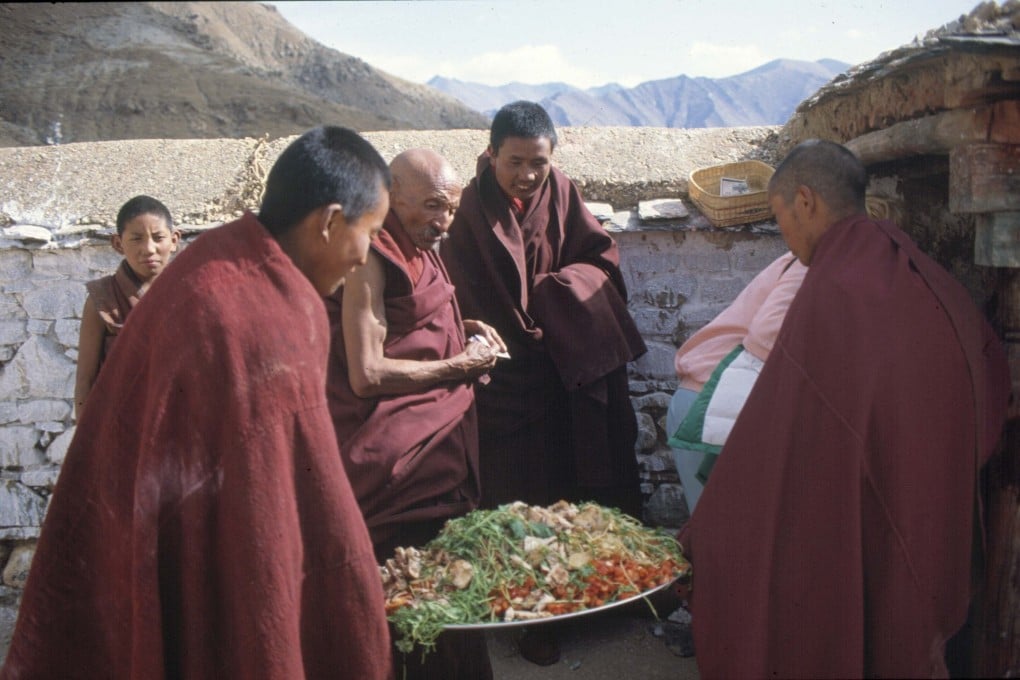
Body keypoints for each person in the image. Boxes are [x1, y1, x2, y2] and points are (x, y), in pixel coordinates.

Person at [1, 127, 395, 680]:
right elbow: (275, 507)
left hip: (149, 535)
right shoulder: (268, 315)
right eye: (370, 232)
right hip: (193, 535)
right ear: (330, 222)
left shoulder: (219, 261)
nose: (366, 255)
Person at [680, 139, 1010, 678]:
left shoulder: (832, 285)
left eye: (780, 215)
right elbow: (987, 371)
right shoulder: (915, 263)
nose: (784, 233)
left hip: (877, 486)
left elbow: (780, 424)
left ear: (805, 201)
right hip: (930, 494)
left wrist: (706, 532)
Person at [440, 100, 647, 665]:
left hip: (563, 369)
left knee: (576, 487)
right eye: (515, 163)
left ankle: (594, 597)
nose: (528, 176)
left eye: (538, 163)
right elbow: (451, 291)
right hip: (503, 379)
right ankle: (530, 614)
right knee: (514, 500)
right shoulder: (466, 211)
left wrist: (560, 293)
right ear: (491, 155)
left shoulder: (562, 191)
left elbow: (600, 257)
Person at [326, 148, 505, 679]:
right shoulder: (370, 257)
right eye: (430, 206)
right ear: (389, 194)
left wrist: (464, 328)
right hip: (395, 466)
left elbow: (414, 322)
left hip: (434, 454)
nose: (442, 222)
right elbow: (368, 373)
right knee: (413, 607)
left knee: (444, 607)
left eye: (449, 209)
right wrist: (461, 366)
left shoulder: (419, 247)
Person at [665, 250, 806, 513]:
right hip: (710, 403)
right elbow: (765, 336)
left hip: (710, 398)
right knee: (719, 537)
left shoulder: (810, 257)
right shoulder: (811, 262)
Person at [74, 194, 180, 417]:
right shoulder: (102, 299)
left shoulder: (191, 293)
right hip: (121, 426)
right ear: (117, 243)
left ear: (174, 240)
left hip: (180, 424)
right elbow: (86, 380)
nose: (149, 248)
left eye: (158, 237)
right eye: (136, 238)